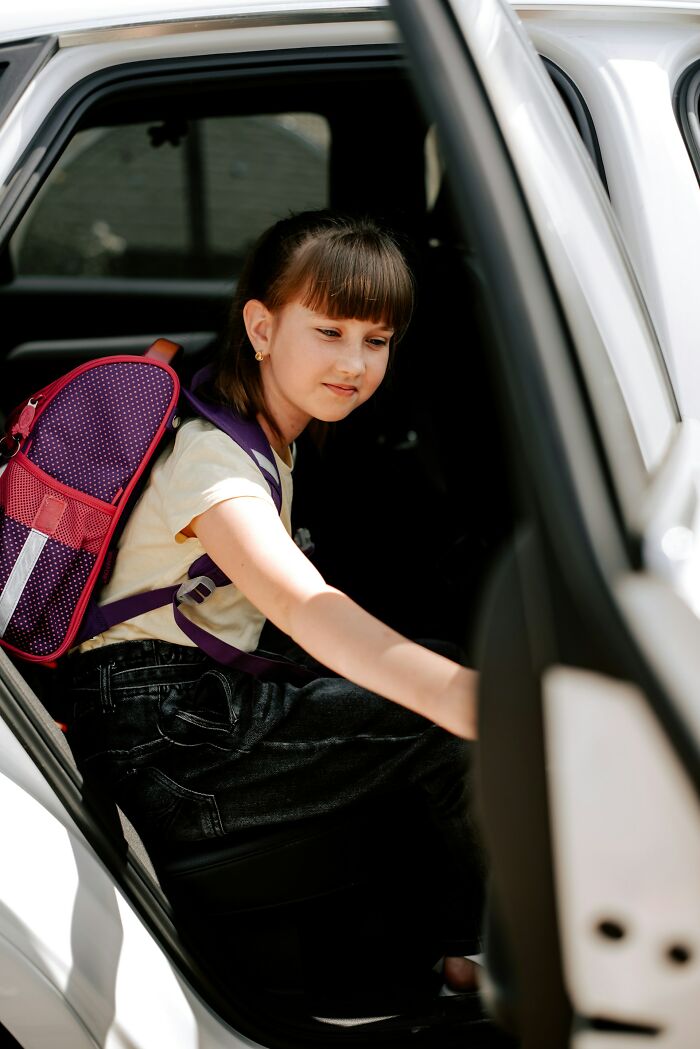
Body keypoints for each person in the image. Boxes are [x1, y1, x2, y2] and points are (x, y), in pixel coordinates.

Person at [64, 211, 482, 992]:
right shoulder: (214, 462)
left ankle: (429, 950)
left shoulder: (260, 437)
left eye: (377, 340)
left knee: (427, 677)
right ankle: (485, 957)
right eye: (329, 331)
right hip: (164, 739)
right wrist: (462, 697)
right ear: (261, 327)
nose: (354, 362)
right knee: (439, 718)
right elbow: (302, 605)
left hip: (187, 712)